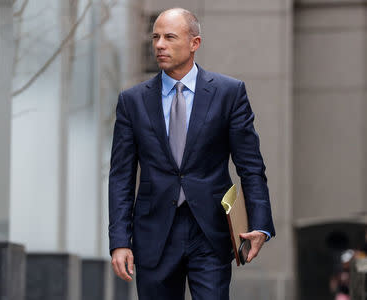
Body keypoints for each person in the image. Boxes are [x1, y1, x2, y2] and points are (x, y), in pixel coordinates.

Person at [108, 7, 275, 300]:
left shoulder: (229, 93)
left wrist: (260, 225)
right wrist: (120, 240)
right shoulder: (131, 102)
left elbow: (251, 166)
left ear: (194, 43)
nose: (159, 45)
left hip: (209, 232)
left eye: (170, 37)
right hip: (154, 234)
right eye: (156, 37)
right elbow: (121, 176)